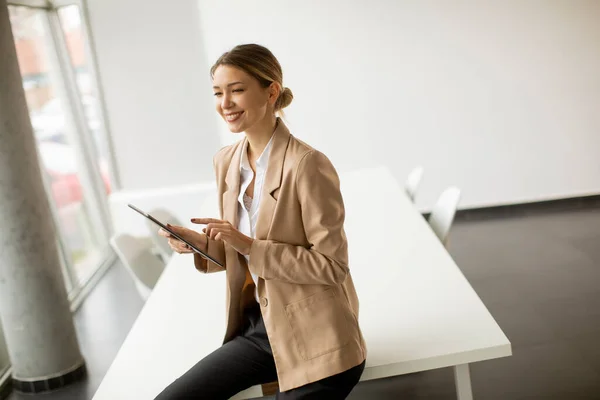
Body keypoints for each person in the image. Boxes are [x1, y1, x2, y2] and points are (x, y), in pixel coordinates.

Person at [155, 44, 366, 400]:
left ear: (271, 91)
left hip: (319, 339)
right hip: (259, 332)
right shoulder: (226, 161)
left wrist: (249, 246)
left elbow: (332, 266)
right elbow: (238, 251)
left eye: (237, 90)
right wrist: (199, 242)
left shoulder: (307, 164)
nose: (226, 103)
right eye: (218, 93)